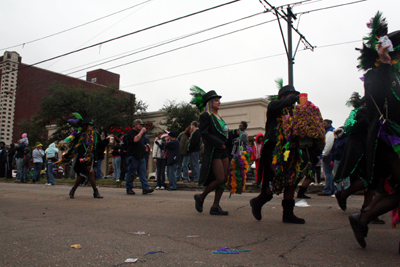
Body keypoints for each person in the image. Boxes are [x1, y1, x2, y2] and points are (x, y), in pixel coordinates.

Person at [348, 13, 400, 249]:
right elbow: (377, 96)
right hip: (388, 139)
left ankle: (363, 218)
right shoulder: (377, 75)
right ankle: (362, 217)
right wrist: (386, 63)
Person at [249, 84, 307, 224]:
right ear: (283, 97)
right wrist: (292, 99)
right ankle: (258, 201)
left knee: (291, 180)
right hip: (274, 149)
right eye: (290, 96)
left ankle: (288, 214)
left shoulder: (293, 112)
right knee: (277, 179)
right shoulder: (274, 106)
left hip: (291, 150)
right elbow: (279, 105)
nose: (293, 99)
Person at [190, 86, 239, 216]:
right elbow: (204, 133)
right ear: (210, 103)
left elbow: (223, 134)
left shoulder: (219, 117)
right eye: (216, 100)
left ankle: (215, 206)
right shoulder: (206, 116)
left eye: (219, 100)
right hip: (214, 151)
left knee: (224, 179)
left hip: (223, 151)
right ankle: (200, 197)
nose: (219, 102)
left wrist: (234, 132)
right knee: (220, 178)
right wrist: (218, 144)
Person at [57, 114, 104, 198]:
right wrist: (68, 155)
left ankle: (73, 190)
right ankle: (95, 191)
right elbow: (75, 146)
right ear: (85, 126)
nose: (91, 126)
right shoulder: (80, 135)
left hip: (91, 157)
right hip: (82, 157)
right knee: (90, 172)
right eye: (89, 125)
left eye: (92, 125)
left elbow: (98, 145)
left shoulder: (95, 135)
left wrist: (107, 140)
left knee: (83, 175)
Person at [124, 119, 154, 195]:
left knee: (142, 173)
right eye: (140, 124)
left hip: (141, 156)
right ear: (135, 124)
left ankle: (145, 188)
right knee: (131, 173)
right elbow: (135, 139)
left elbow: (139, 142)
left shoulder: (140, 134)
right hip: (133, 156)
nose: (141, 126)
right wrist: (141, 132)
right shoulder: (131, 132)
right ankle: (129, 188)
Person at [317, 119, 335, 196]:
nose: (323, 125)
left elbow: (328, 145)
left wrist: (324, 154)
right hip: (329, 154)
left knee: (328, 173)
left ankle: (327, 190)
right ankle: (332, 189)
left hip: (328, 154)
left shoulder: (330, 132)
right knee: (329, 173)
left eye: (325, 124)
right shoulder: (329, 131)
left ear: (329, 123)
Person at [331, 127, 349, 192]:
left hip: (344, 159)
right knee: (337, 175)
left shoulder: (346, 140)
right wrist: (332, 159)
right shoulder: (336, 140)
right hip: (336, 159)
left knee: (345, 175)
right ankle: (338, 190)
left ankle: (347, 190)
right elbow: (333, 150)